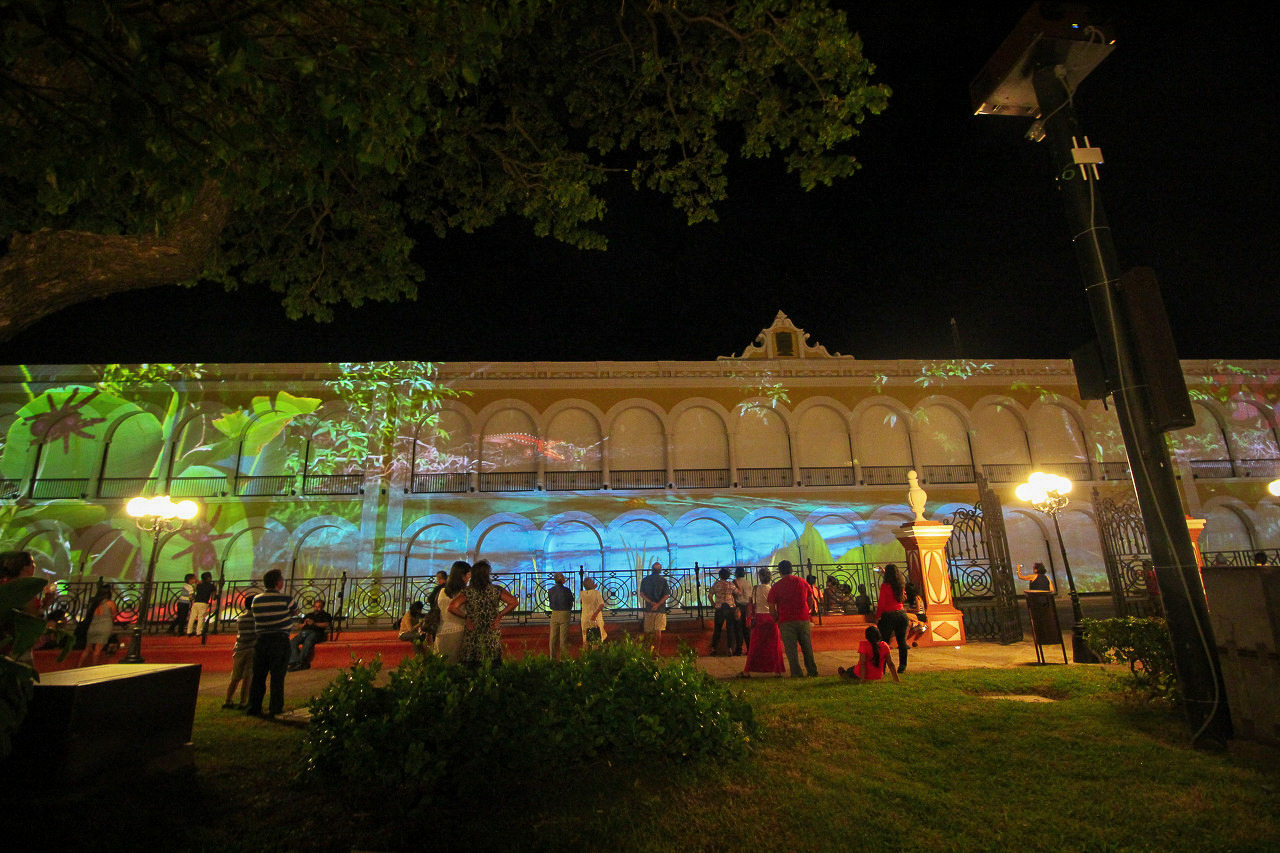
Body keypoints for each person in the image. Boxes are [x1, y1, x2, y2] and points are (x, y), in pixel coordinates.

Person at [246, 569, 297, 718]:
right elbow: (295, 611)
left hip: (261, 640)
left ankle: (254, 706)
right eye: (281, 579)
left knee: (258, 676)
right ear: (278, 583)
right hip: (279, 640)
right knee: (277, 676)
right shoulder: (286, 599)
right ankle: (275, 707)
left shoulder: (256, 600)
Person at [451, 559, 518, 667]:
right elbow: (514, 602)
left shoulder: (468, 591)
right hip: (491, 629)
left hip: (474, 629)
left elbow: (452, 607)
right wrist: (499, 616)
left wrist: (466, 618)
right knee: (492, 662)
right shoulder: (496, 590)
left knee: (472, 664)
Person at [767, 560, 818, 678]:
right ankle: (812, 670)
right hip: (803, 618)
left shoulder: (777, 586)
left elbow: (771, 606)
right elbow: (810, 598)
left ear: (779, 571)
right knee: (807, 646)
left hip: (786, 620)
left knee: (791, 649)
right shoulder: (802, 582)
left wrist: (776, 618)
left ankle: (796, 673)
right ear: (792, 569)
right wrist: (807, 610)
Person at [741, 567, 784, 677]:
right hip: (771, 617)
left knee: (755, 645)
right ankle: (777, 670)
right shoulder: (772, 589)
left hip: (759, 617)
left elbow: (751, 602)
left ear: (760, 577)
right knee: (774, 644)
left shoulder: (755, 589)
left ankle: (747, 671)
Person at [223, 593, 256, 710]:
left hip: (239, 649)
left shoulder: (241, 618)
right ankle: (243, 702)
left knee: (235, 677)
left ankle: (228, 700)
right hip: (251, 649)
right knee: (247, 678)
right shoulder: (256, 619)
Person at [433, 560, 470, 663]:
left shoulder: (442, 591)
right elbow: (453, 608)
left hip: (441, 630)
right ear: (463, 576)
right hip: (459, 631)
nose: (468, 579)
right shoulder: (464, 592)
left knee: (441, 664)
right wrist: (466, 617)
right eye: (468, 575)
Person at [876, 564, 909, 674]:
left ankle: (883, 667)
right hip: (901, 614)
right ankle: (902, 666)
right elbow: (903, 597)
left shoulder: (885, 586)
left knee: (884, 642)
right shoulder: (900, 584)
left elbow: (881, 603)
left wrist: (878, 616)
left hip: (888, 616)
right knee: (901, 641)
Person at [77, 583, 117, 667]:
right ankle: (94, 666)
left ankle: (79, 665)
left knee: (87, 649)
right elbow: (114, 615)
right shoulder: (110, 603)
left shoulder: (95, 603)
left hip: (93, 626)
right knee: (97, 650)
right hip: (105, 626)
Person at [288, 598, 332, 671]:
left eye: (319, 607)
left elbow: (326, 624)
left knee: (308, 642)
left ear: (322, 607)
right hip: (305, 632)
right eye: (315, 606)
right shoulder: (309, 615)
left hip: (316, 632)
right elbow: (299, 626)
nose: (316, 608)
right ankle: (294, 662)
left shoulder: (326, 615)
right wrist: (304, 624)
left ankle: (300, 662)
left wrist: (314, 623)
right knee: (292, 642)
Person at [638, 561, 670, 652]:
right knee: (658, 631)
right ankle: (656, 651)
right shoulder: (663, 581)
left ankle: (648, 650)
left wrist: (651, 602)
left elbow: (642, 594)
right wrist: (658, 604)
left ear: (652, 569)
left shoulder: (645, 580)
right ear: (660, 570)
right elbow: (666, 595)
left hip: (649, 608)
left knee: (648, 631)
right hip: (660, 609)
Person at [709, 567, 741, 656]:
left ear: (720, 575)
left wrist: (713, 604)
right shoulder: (731, 584)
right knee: (730, 629)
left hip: (719, 608)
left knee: (717, 629)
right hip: (730, 608)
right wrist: (737, 584)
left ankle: (714, 649)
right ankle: (730, 648)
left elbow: (710, 595)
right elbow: (739, 593)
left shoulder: (716, 584)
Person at [547, 571, 574, 660]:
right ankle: (564, 658)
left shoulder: (551, 590)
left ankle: (552, 658)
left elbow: (550, 602)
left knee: (553, 638)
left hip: (554, 613)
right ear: (562, 579)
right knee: (563, 638)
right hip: (565, 613)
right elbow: (570, 602)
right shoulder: (567, 590)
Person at [186, 571, 216, 636]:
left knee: (192, 617)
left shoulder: (199, 585)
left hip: (196, 602)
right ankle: (199, 632)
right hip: (203, 603)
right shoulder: (211, 585)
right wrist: (215, 587)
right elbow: (213, 596)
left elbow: (196, 590)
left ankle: (189, 631)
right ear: (208, 578)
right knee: (201, 617)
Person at [422, 570, 448, 644]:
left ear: (439, 578)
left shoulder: (438, 588)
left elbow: (430, 599)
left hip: (437, 613)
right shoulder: (450, 588)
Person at [579, 576, 607, 646]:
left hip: (585, 617)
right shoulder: (597, 593)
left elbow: (589, 593)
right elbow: (601, 604)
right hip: (595, 618)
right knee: (597, 636)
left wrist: (592, 588)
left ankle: (586, 650)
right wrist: (595, 614)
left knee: (586, 636)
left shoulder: (582, 593)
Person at [904, 582, 928, 646]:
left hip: (920, 615)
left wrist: (908, 610)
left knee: (904, 614)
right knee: (908, 623)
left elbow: (918, 609)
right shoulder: (911, 599)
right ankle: (917, 624)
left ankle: (919, 623)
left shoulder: (916, 597)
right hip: (916, 615)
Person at [733, 566, 751, 652]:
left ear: (736, 574)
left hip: (738, 607)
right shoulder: (748, 583)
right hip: (747, 607)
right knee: (747, 628)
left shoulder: (735, 582)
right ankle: (749, 648)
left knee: (738, 628)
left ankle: (739, 649)